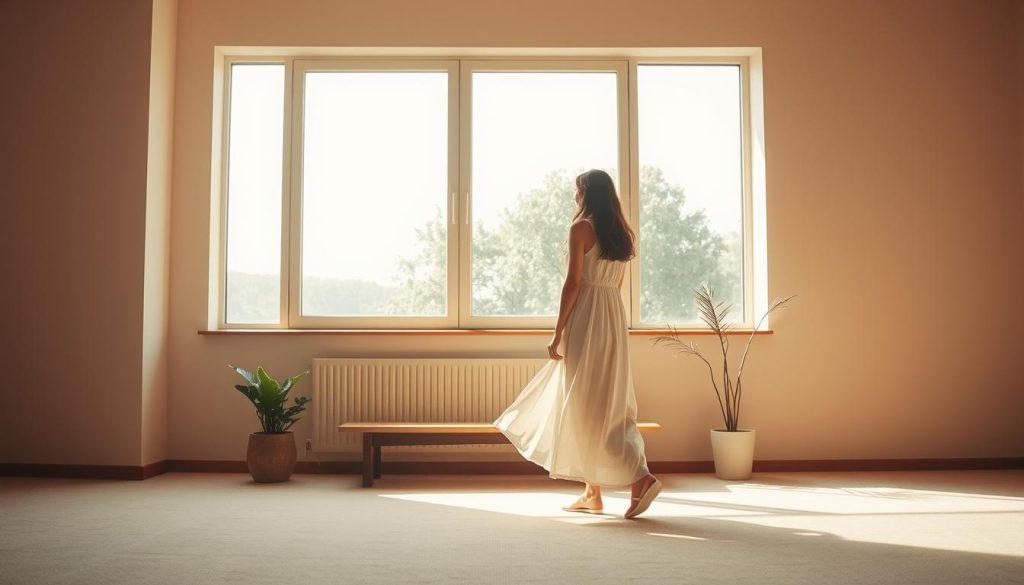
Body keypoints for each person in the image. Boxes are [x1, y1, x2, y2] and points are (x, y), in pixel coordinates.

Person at [494, 169, 662, 519]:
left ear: (587, 193)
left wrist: (558, 330)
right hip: (613, 318)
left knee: (586, 403)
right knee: (608, 400)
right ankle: (592, 491)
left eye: (577, 190)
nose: (574, 197)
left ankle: (641, 477)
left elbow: (573, 283)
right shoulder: (621, 232)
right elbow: (616, 287)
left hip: (588, 317)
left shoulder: (581, 229)